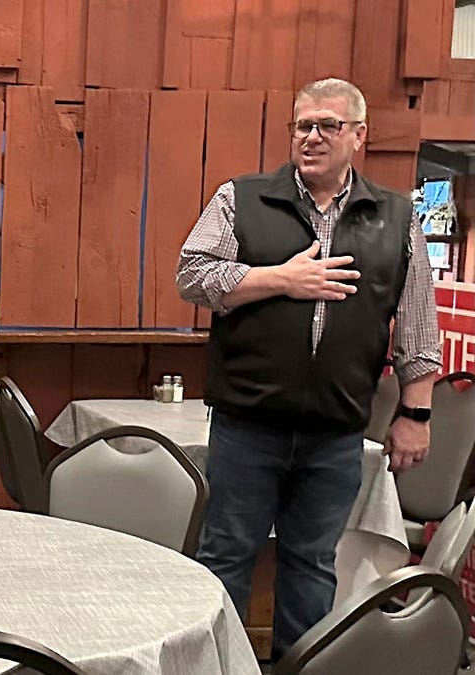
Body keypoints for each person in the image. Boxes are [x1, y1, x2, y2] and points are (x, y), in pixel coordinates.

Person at [176, 77, 440, 660]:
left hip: (336, 434)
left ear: (359, 135)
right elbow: (192, 273)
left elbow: (418, 325)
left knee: (312, 566)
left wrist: (415, 413)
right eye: (303, 125)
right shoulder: (240, 198)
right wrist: (280, 279)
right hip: (248, 424)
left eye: (329, 125)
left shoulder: (395, 218)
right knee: (225, 559)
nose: (313, 137)